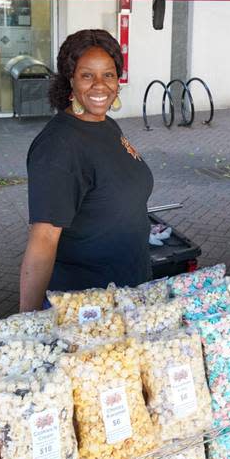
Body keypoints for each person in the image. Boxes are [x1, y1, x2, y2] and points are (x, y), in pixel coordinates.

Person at [19, 29, 154, 311]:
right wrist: (27, 320)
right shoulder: (58, 147)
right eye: (87, 75)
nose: (100, 85)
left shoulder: (105, 124)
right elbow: (43, 240)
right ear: (70, 79)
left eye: (109, 74)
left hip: (128, 292)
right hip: (86, 308)